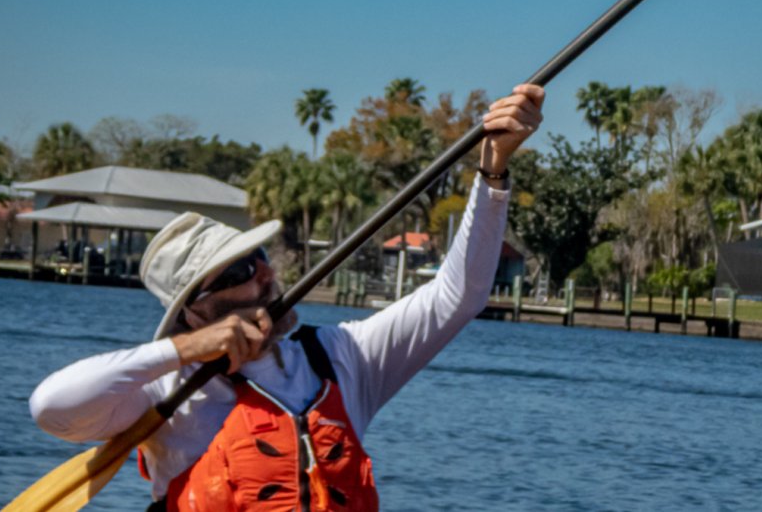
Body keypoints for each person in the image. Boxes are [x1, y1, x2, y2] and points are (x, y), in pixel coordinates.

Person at [29, 84, 545, 510]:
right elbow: (52, 407)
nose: (264, 274)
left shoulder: (342, 356)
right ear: (194, 310)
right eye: (237, 270)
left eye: (259, 257)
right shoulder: (165, 390)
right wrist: (187, 350)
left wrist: (493, 170)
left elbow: (461, 294)